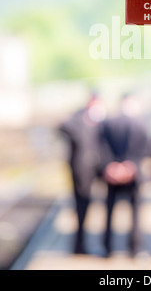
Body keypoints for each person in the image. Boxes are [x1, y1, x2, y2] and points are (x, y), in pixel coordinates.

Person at [98, 93, 147, 257]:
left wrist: (110, 166)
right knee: (135, 214)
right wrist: (131, 166)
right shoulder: (142, 123)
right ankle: (135, 248)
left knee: (109, 211)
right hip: (133, 174)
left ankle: (107, 247)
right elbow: (148, 148)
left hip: (112, 173)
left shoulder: (108, 123)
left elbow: (100, 146)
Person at [59, 92, 106, 254]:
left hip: (95, 167)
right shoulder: (77, 119)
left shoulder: (99, 121)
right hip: (81, 169)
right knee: (81, 205)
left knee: (93, 205)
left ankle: (89, 242)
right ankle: (79, 245)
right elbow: (63, 126)